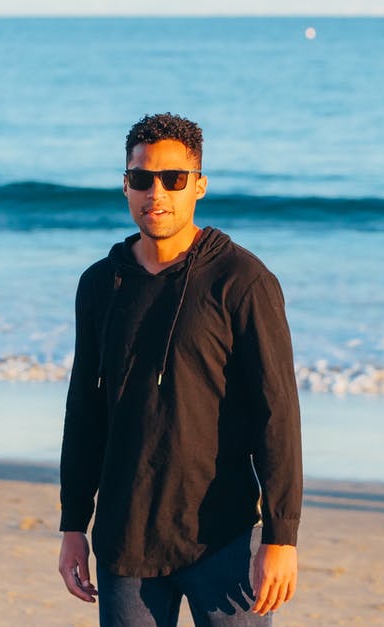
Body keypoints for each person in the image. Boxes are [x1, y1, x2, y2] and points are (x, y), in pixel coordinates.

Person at [57, 112, 303, 626]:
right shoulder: (101, 284)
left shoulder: (243, 281)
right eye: (142, 178)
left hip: (226, 537)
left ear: (199, 186)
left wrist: (281, 536)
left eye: (174, 178)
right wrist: (74, 523)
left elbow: (276, 413)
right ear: (126, 185)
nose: (157, 192)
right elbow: (84, 410)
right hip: (126, 542)